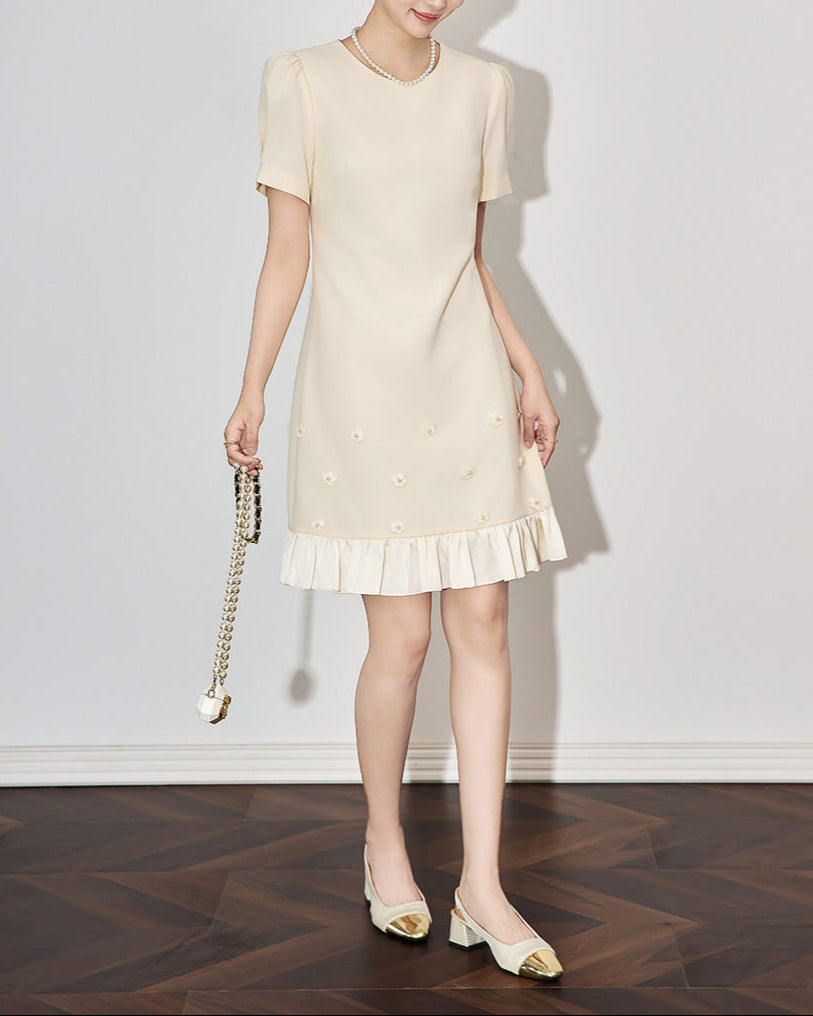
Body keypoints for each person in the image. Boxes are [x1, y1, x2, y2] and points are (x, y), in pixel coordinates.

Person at [224, 0, 567, 982]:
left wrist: (526, 366)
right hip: (362, 389)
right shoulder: (301, 79)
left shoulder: (486, 88)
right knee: (403, 637)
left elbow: (469, 254)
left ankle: (483, 889)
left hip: (464, 381)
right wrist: (251, 388)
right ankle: (384, 844)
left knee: (485, 619)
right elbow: (287, 253)